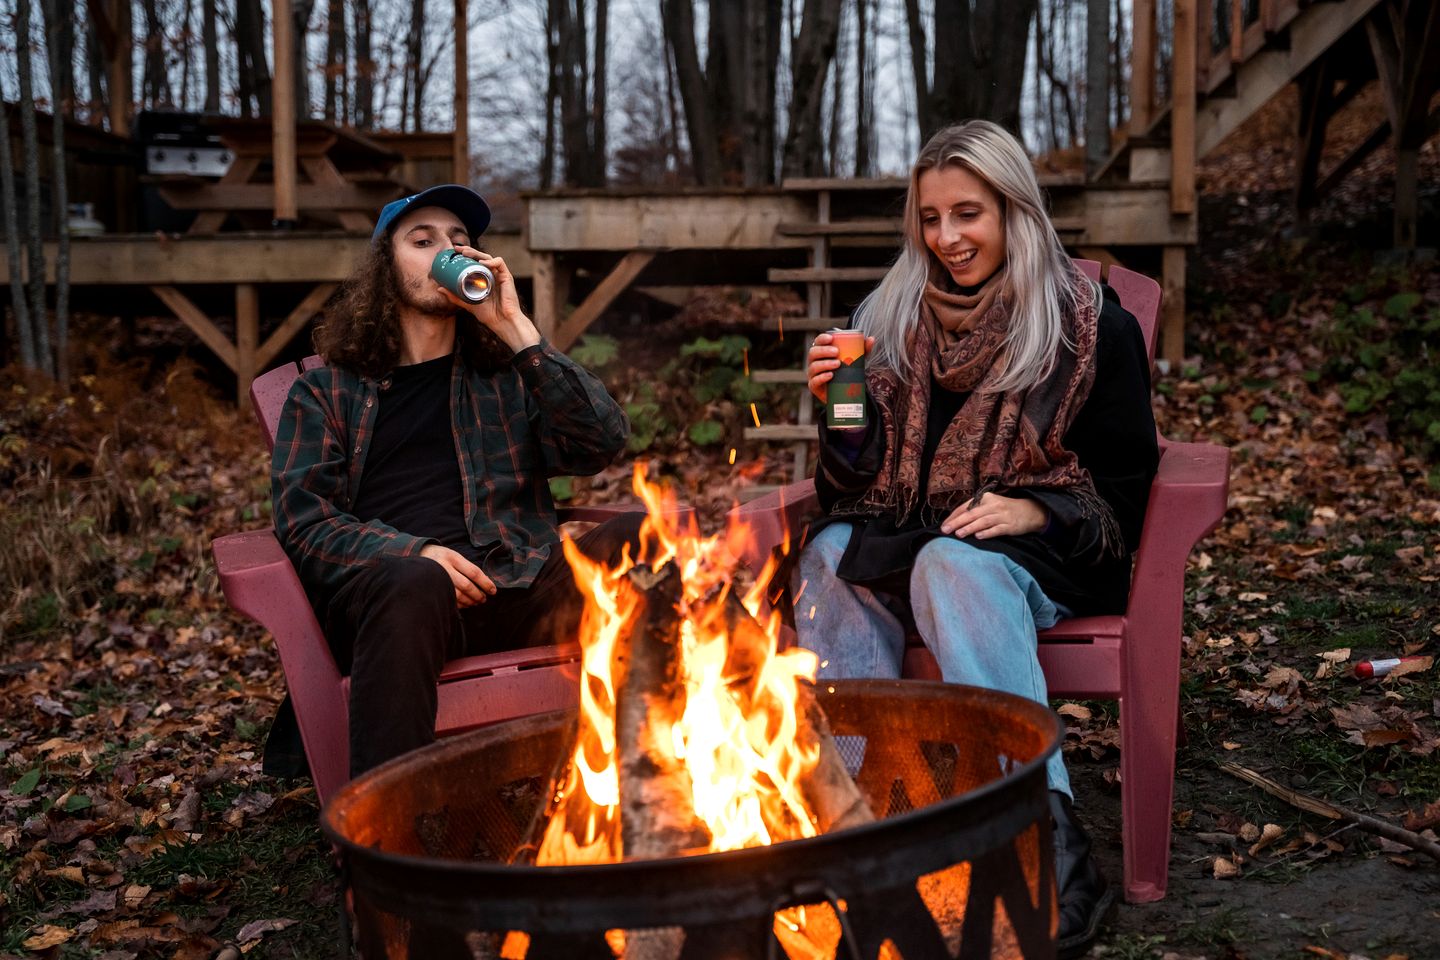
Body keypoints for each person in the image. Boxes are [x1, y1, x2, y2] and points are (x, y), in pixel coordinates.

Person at [795, 121, 1159, 957]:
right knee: (823, 557)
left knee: (952, 563)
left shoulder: (1089, 325)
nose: (947, 239)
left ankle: (1046, 847)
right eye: (930, 218)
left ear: (1013, 211)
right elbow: (849, 486)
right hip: (908, 527)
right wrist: (842, 409)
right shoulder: (883, 317)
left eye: (969, 214)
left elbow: (1126, 487)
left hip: (1048, 542)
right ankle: (861, 834)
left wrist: (1036, 512)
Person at [267, 184, 633, 780]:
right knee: (413, 583)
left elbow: (601, 443)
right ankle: (389, 844)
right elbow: (304, 522)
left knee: (638, 537)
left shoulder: (504, 378)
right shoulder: (327, 392)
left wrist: (515, 328)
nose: (449, 250)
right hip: (401, 612)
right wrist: (416, 553)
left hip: (518, 591)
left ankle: (660, 784)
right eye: (424, 240)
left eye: (460, 240)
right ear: (386, 267)